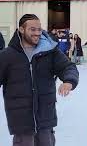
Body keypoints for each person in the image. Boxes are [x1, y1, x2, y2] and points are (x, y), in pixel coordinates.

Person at [0, 14, 79, 146]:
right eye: (32, 29)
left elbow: (68, 67)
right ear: (21, 29)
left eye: (39, 29)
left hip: (45, 119)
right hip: (21, 123)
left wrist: (69, 81)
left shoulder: (50, 52)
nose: (37, 33)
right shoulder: (7, 56)